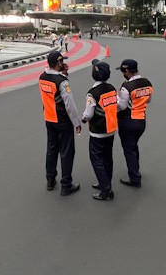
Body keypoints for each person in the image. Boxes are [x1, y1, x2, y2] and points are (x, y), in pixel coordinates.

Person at [39, 49, 81, 196]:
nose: (64, 63)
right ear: (58, 62)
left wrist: (62, 74)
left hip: (49, 119)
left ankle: (50, 180)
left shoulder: (42, 77)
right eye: (62, 61)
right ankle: (66, 184)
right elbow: (70, 105)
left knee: (51, 149)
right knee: (67, 152)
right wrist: (76, 122)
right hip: (63, 121)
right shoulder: (62, 82)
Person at [81, 60, 118, 201]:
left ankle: (106, 190)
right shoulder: (112, 88)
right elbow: (119, 104)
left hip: (98, 131)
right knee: (108, 156)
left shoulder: (92, 93)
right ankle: (105, 181)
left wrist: (83, 119)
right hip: (111, 129)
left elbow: (89, 114)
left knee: (96, 158)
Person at [116, 59, 153, 188]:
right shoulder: (147, 83)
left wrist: (116, 97)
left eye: (122, 71)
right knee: (133, 146)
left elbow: (121, 106)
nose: (122, 74)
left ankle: (135, 178)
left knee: (129, 149)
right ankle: (135, 170)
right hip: (141, 121)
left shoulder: (126, 87)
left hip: (128, 121)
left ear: (127, 71)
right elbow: (148, 100)